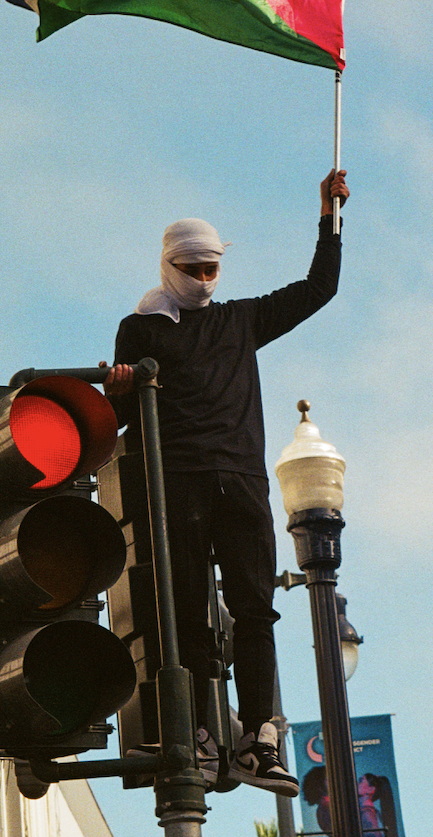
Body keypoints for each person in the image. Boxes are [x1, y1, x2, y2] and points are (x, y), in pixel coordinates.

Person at [102, 170, 349, 797]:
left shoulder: (240, 321)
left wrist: (329, 217)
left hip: (240, 483)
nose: (204, 279)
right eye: (193, 268)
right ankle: (201, 735)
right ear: (168, 264)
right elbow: (126, 422)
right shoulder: (144, 330)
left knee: (254, 608)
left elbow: (320, 288)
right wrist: (122, 389)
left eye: (212, 268)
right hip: (180, 483)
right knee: (184, 609)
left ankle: (258, 737)